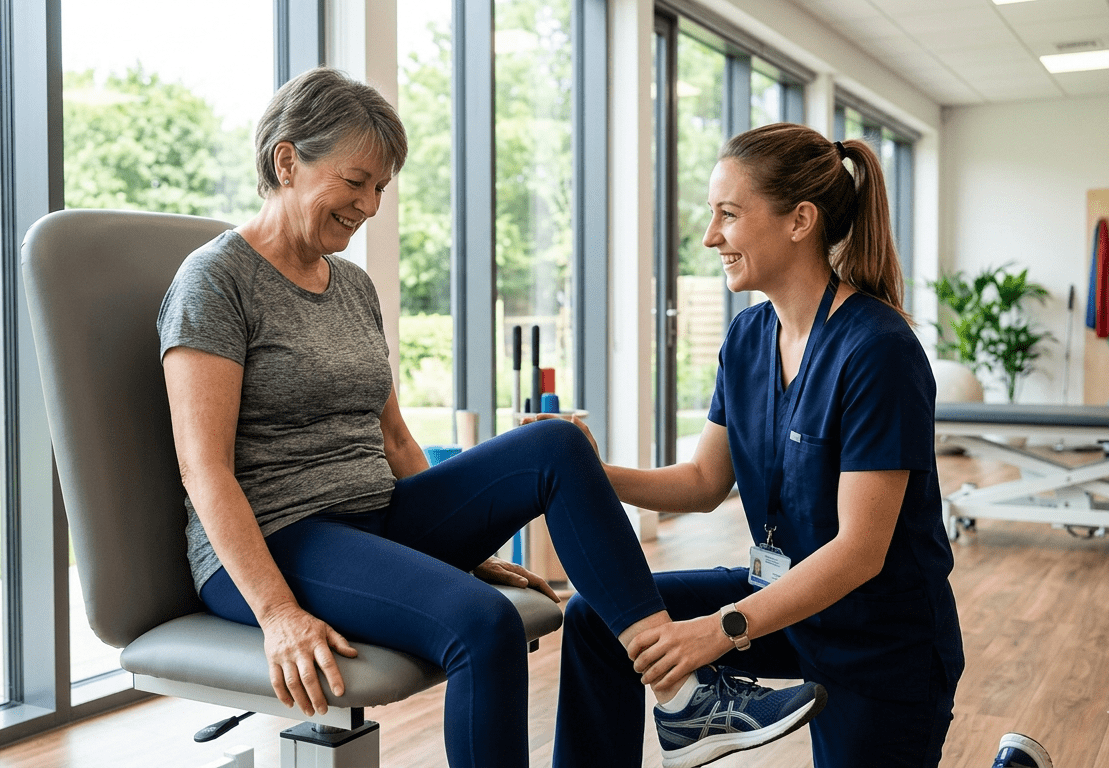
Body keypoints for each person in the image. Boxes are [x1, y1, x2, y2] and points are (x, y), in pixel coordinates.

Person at [156, 66, 680, 768]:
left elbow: (395, 436)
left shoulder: (352, 285)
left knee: (555, 444)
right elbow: (203, 467)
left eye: (381, 188)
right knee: (482, 622)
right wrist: (278, 614)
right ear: (287, 160)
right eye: (357, 181)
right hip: (274, 538)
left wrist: (468, 545)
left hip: (374, 518)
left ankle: (684, 694)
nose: (370, 205)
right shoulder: (215, 280)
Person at [541, 123, 968, 768]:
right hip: (785, 601)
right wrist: (581, 470)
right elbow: (703, 483)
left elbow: (858, 553)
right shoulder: (747, 338)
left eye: (729, 216)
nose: (711, 237)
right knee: (600, 621)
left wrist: (716, 632)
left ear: (800, 220)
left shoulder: (877, 351)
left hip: (880, 638)